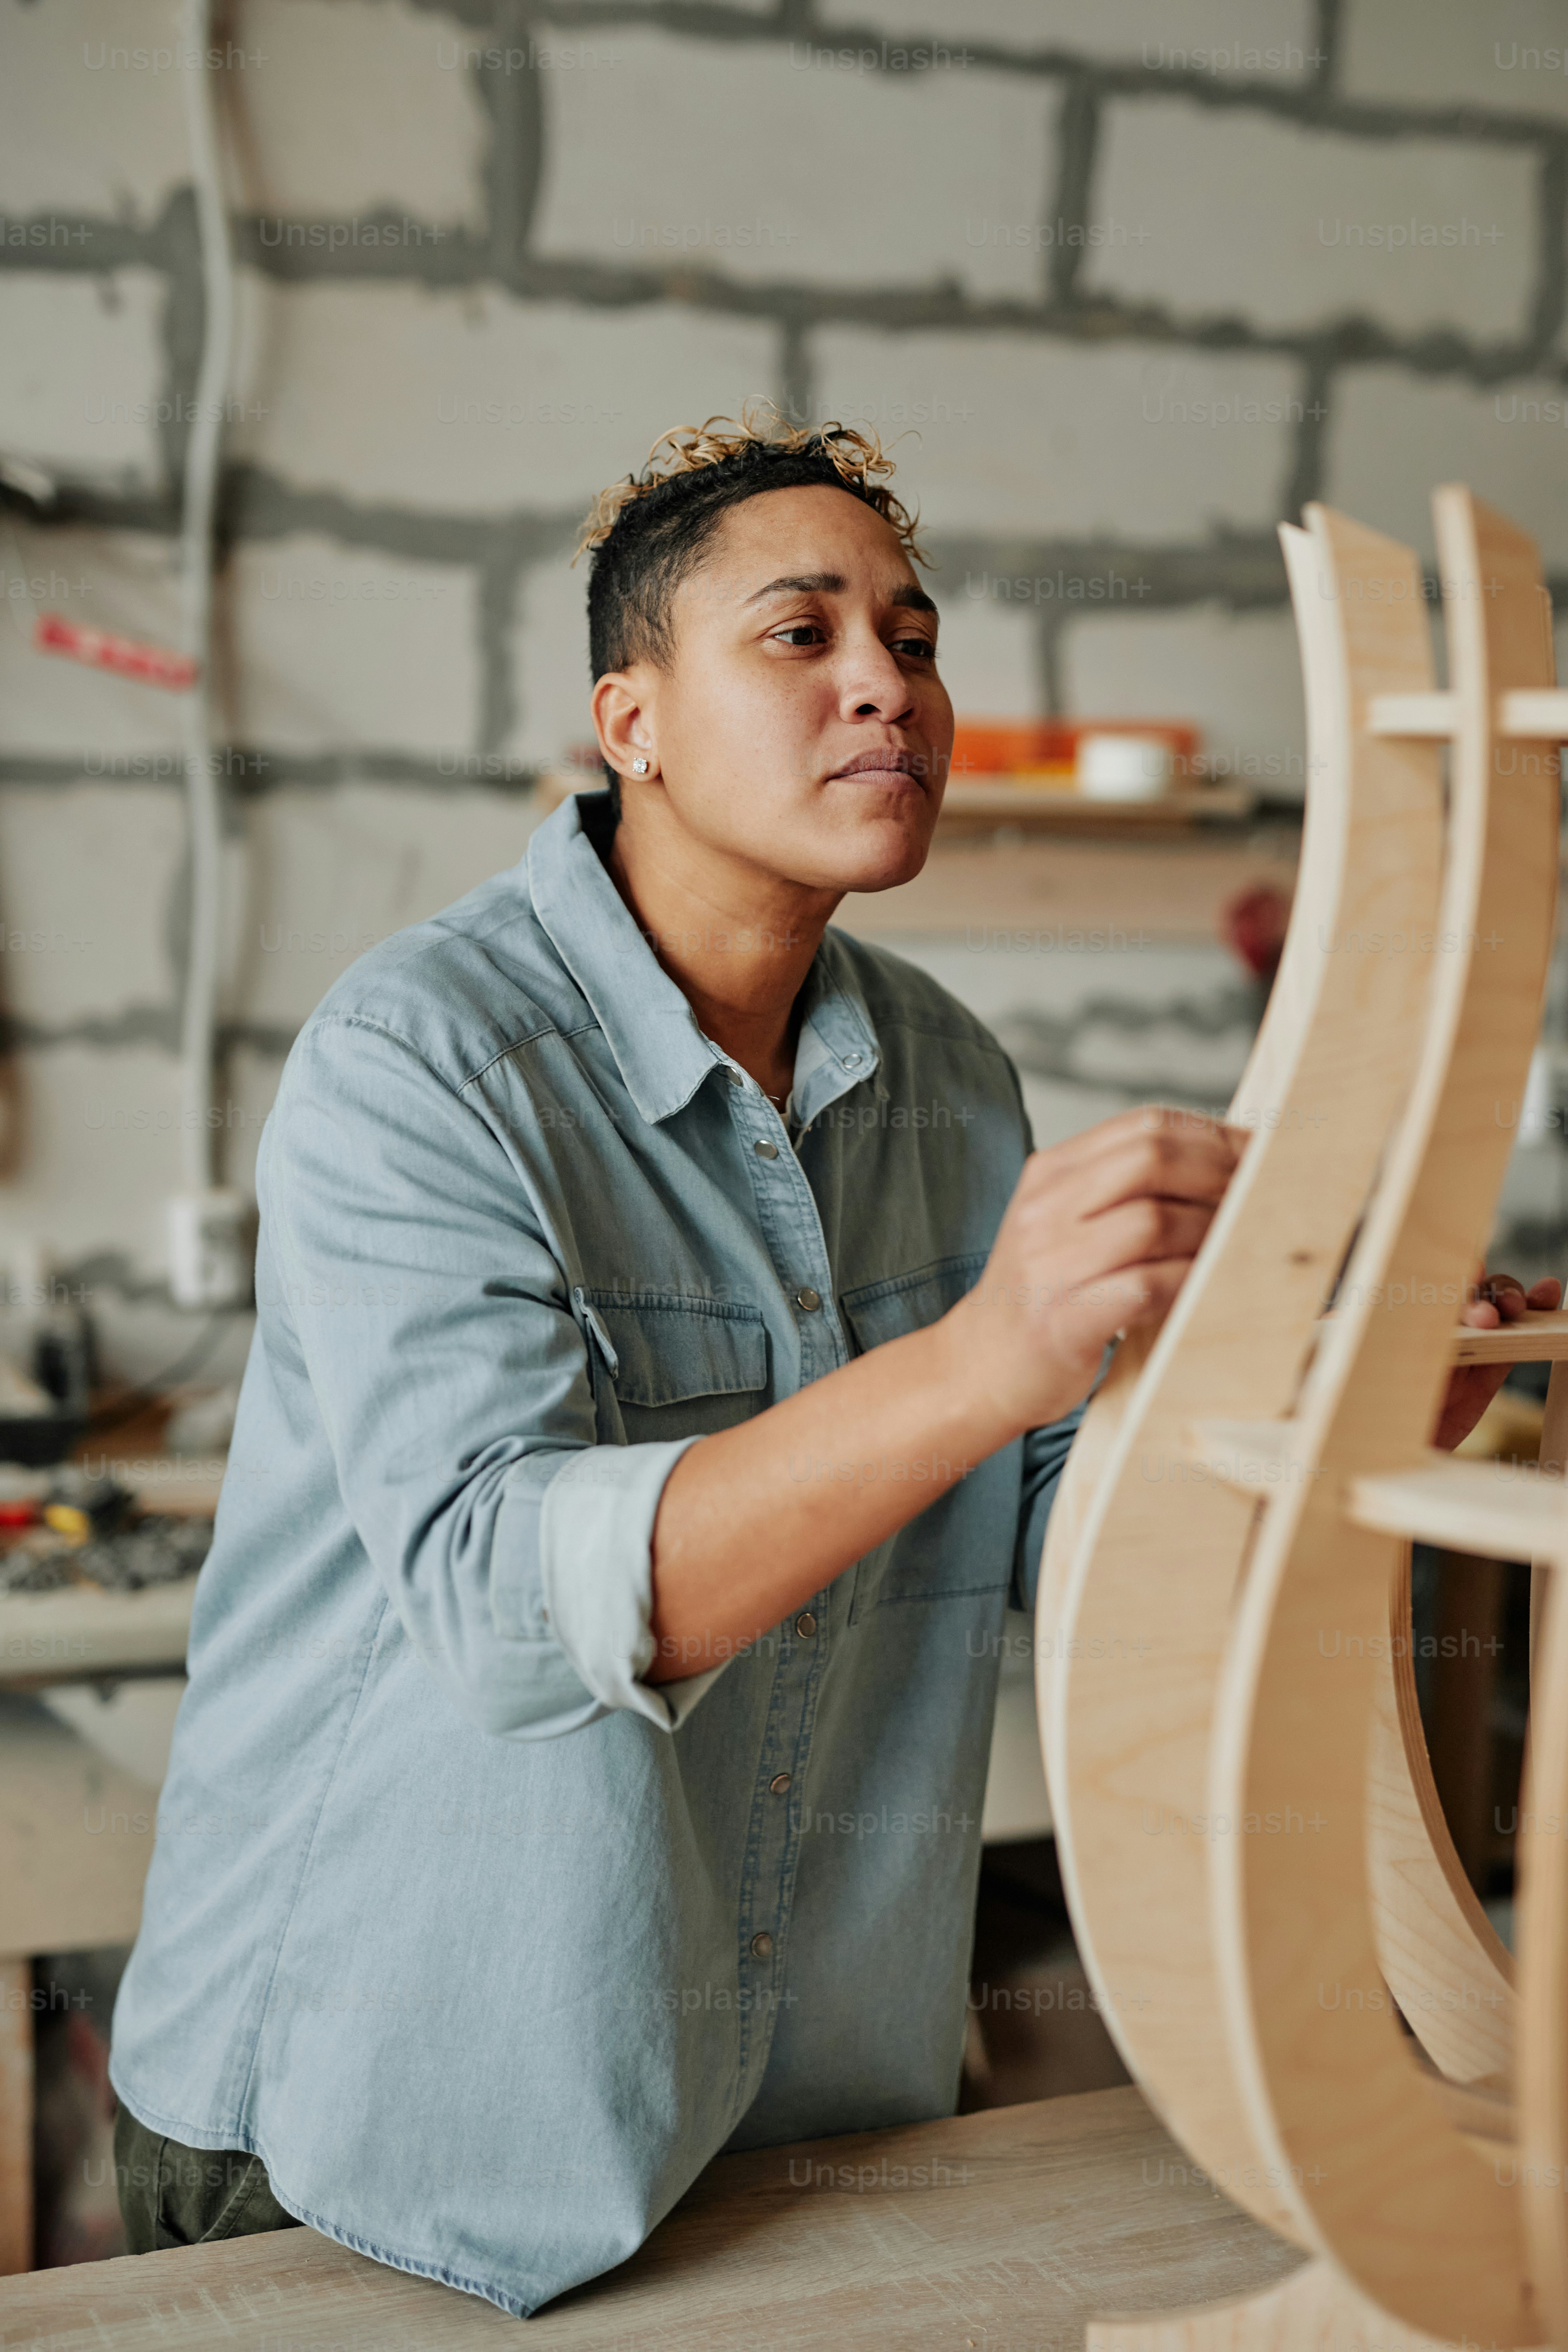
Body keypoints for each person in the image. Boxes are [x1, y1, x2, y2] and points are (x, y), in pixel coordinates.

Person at [107, 410, 1546, 2314]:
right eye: (804, 635)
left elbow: (1067, 1532)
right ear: (633, 721)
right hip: (377, 2138)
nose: (890, 687)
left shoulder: (947, 1077)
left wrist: (1335, 1402)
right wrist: (992, 1347)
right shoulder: (422, 1064)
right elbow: (502, 1602)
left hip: (794, 2125)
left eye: (919, 638)